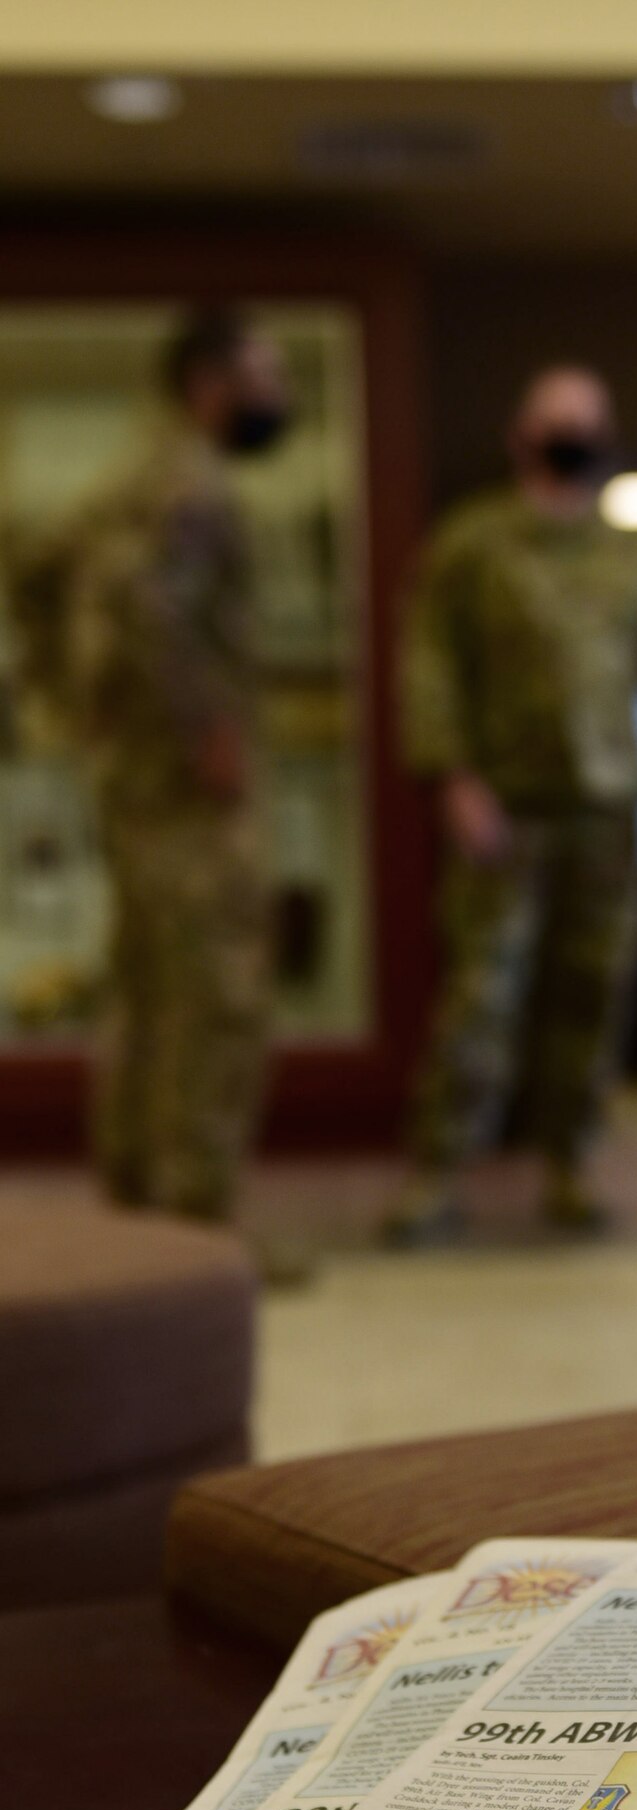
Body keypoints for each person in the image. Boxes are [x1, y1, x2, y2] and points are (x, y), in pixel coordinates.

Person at [389, 365, 637, 1241]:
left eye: (587, 421)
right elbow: (429, 662)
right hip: (507, 804)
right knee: (482, 995)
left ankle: (570, 1164)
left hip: (609, 805)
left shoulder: (636, 552)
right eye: (555, 421)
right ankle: (437, 1171)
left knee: (592, 994)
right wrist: (449, 775)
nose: (572, 435)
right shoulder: (472, 543)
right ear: (519, 436)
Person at [12, 308, 290, 1224]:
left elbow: (38, 575)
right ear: (211, 385)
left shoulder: (124, 477)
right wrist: (201, 726)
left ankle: (136, 1199)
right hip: (184, 787)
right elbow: (148, 605)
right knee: (216, 993)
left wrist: (75, 704)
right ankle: (198, 1217)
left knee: (145, 985)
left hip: (133, 779)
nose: (278, 397)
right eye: (266, 376)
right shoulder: (189, 481)